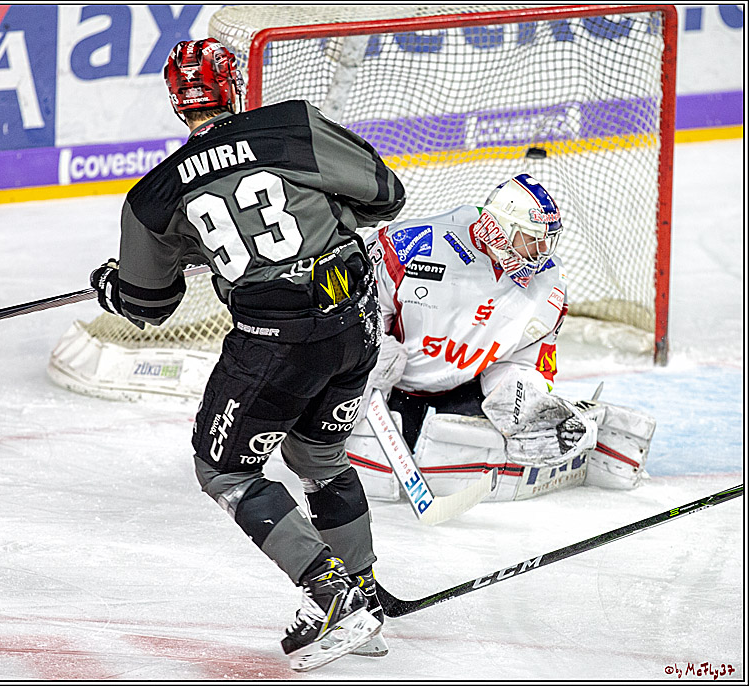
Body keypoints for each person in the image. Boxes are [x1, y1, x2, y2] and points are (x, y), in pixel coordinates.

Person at [88, 39, 405, 671]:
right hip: (354, 328)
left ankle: (334, 594)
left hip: (275, 343)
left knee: (225, 471)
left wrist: (115, 287)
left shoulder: (154, 196)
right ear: (234, 85)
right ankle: (365, 589)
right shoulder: (294, 126)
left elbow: (150, 307)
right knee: (318, 456)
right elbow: (385, 196)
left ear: (178, 103)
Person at [348, 174, 655, 505]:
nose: (541, 253)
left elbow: (527, 359)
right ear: (501, 229)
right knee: (369, 467)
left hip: (462, 388)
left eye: (547, 241)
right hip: (391, 388)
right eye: (531, 240)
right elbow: (356, 300)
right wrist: (366, 350)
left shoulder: (550, 284)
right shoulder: (411, 242)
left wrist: (520, 398)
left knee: (489, 446)